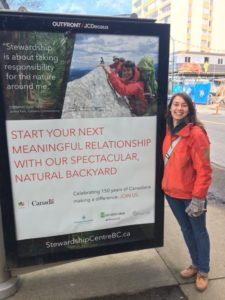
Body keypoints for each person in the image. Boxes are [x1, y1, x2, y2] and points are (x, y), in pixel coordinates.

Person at [162, 92, 212, 292]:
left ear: (190, 109)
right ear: (170, 107)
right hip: (172, 193)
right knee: (186, 230)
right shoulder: (168, 129)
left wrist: (199, 198)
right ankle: (195, 263)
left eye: (184, 105)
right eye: (175, 104)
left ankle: (204, 271)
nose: (179, 108)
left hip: (191, 196)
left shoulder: (196, 134)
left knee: (199, 232)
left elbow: (205, 170)